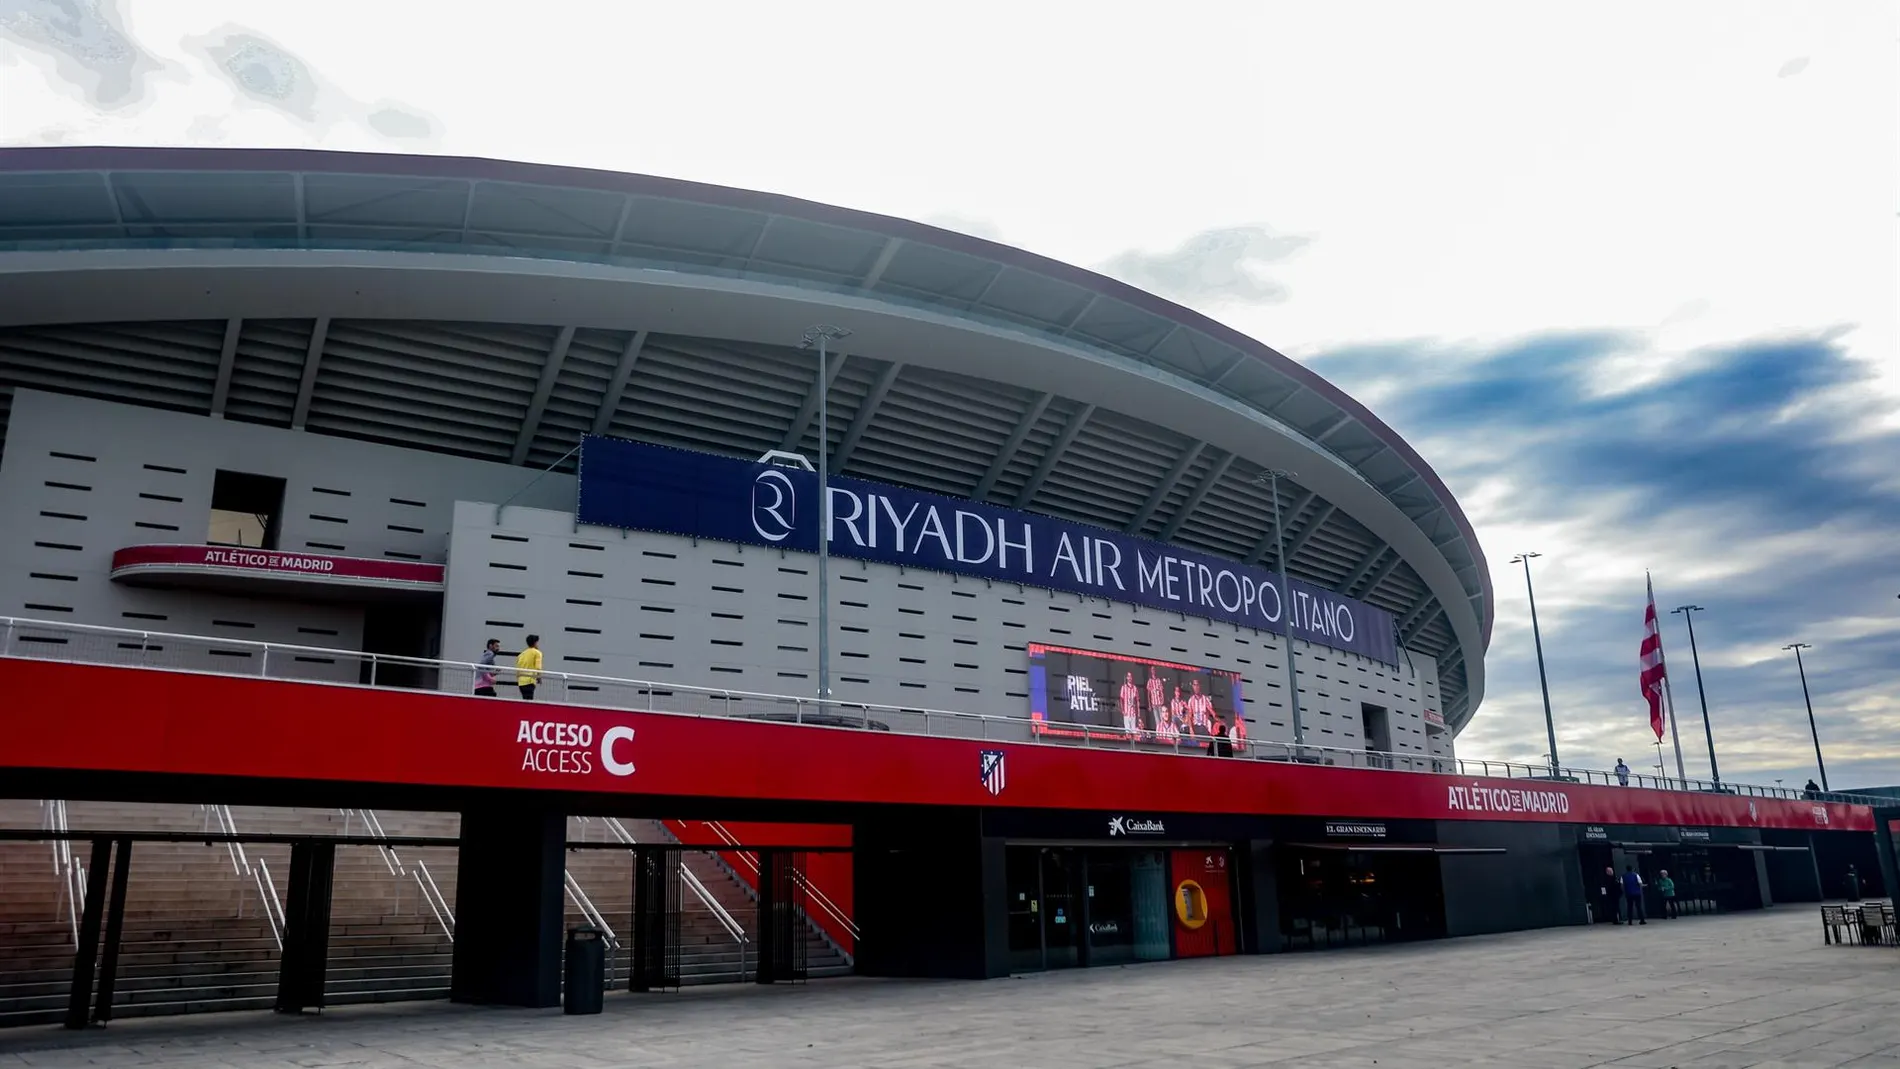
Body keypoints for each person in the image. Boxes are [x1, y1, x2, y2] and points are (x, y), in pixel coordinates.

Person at [516, 633, 543, 701]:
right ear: (535, 643)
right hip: (530, 681)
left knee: (525, 700)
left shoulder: (521, 654)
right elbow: (538, 667)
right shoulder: (537, 653)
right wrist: (539, 678)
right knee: (529, 701)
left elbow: (518, 668)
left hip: (521, 682)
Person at [1118, 671, 1142, 735]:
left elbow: (1137, 700)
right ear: (1126, 678)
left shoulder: (1135, 688)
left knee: (1133, 732)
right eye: (1128, 676)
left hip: (1133, 713)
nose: (1129, 678)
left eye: (1130, 676)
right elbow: (1121, 699)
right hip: (1126, 713)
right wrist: (1122, 710)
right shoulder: (1124, 687)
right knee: (1127, 732)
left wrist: (1138, 712)